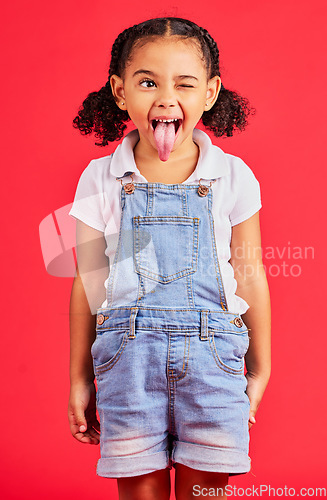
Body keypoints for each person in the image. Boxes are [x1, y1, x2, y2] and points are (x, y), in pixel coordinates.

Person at [67, 17, 271, 500]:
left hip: (213, 360)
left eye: (184, 83)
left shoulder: (234, 176)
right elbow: (87, 280)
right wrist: (79, 378)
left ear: (210, 92)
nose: (165, 97)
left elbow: (251, 274)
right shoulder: (100, 177)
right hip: (127, 364)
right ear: (119, 92)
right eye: (147, 82)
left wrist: (260, 368)